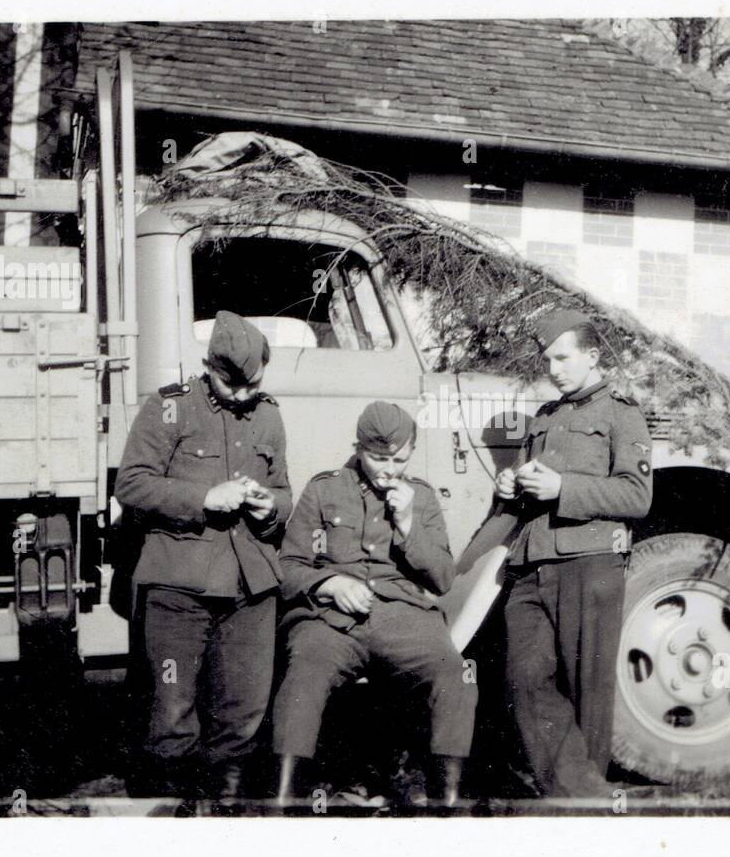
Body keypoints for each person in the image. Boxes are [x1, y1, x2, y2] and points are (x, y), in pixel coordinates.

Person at [115, 311, 291, 800]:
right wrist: (203, 499)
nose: (239, 395)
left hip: (251, 586)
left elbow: (283, 490)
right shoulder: (170, 407)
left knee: (243, 713)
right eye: (227, 384)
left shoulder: (270, 413)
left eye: (249, 384)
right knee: (172, 712)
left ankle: (225, 819)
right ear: (206, 366)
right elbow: (131, 483)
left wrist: (268, 506)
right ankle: (171, 819)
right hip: (179, 583)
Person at [272, 401, 477, 807]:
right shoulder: (324, 489)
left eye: (400, 460)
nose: (390, 469)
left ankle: (446, 809)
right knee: (305, 673)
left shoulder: (421, 496)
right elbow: (288, 566)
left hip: (404, 620)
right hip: (330, 620)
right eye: (379, 458)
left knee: (456, 675)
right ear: (358, 448)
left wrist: (408, 525)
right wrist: (329, 582)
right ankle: (284, 804)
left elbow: (442, 577)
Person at [496, 309, 653, 798]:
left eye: (563, 358)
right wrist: (510, 487)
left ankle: (582, 799)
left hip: (590, 563)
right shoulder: (545, 418)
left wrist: (564, 487)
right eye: (547, 360)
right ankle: (582, 791)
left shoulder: (622, 414)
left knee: (589, 689)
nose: (553, 369)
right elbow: (529, 493)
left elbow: (637, 496)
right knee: (523, 677)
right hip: (532, 565)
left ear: (592, 355)